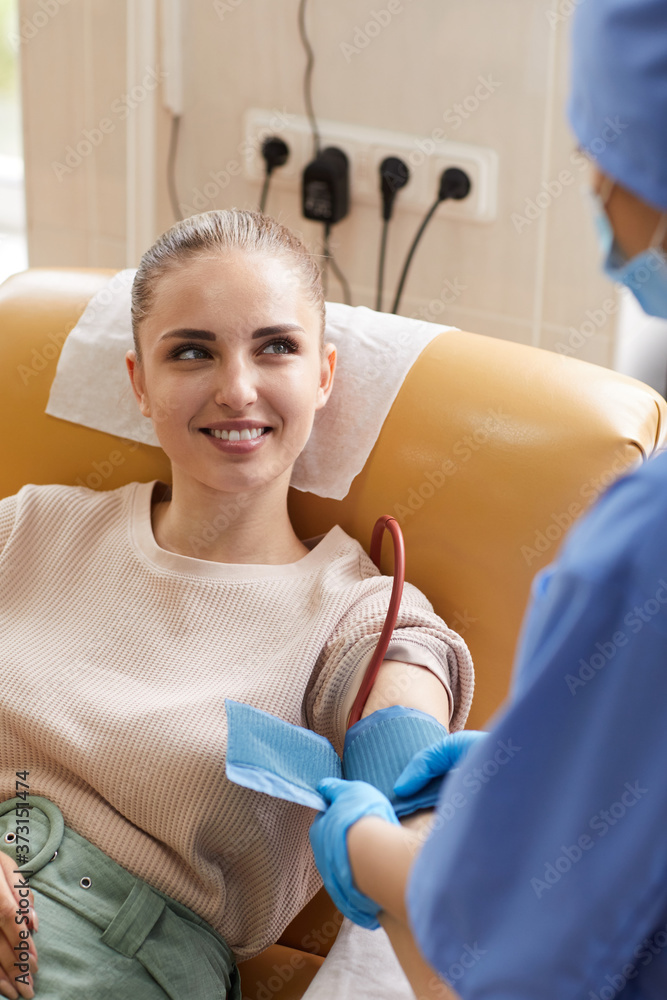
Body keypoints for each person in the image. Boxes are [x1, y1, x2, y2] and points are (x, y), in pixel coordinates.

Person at [0, 209, 474, 999]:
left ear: (322, 375)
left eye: (275, 347)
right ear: (139, 384)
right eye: (192, 351)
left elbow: (412, 783)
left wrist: (414, 834)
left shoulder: (358, 618)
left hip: (115, 957)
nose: (236, 389)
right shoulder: (30, 528)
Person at [308, 0, 667, 997]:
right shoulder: (39, 521)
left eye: (606, 147)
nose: (591, 181)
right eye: (190, 350)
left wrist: (371, 843)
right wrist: (523, 784)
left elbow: (490, 948)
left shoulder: (360, 602)